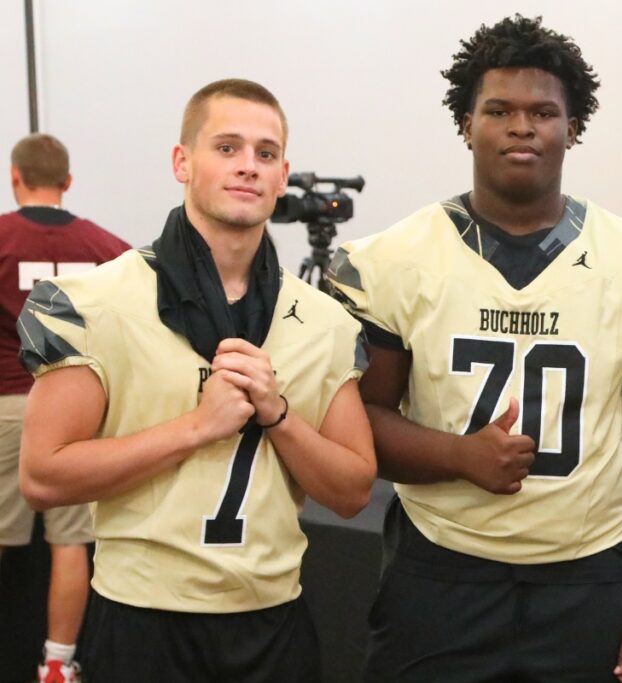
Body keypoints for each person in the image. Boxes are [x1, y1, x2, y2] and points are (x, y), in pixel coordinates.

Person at [329, 15, 622, 683]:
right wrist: (456, 454)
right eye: (498, 110)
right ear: (466, 124)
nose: (521, 126)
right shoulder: (392, 259)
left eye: (543, 111)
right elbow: (357, 426)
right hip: (442, 569)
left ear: (573, 127)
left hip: (593, 573)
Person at [17, 79, 376, 683]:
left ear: (283, 174)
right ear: (182, 161)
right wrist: (194, 428)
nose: (247, 167)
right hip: (141, 622)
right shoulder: (95, 302)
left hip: (271, 620)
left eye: (265, 154)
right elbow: (42, 476)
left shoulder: (324, 321)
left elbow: (352, 491)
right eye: (227, 147)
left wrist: (278, 414)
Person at [0, 133, 130, 683]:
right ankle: (57, 663)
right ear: (68, 182)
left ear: (15, 177)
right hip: (77, 412)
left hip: (7, 405)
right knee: (72, 542)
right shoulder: (104, 246)